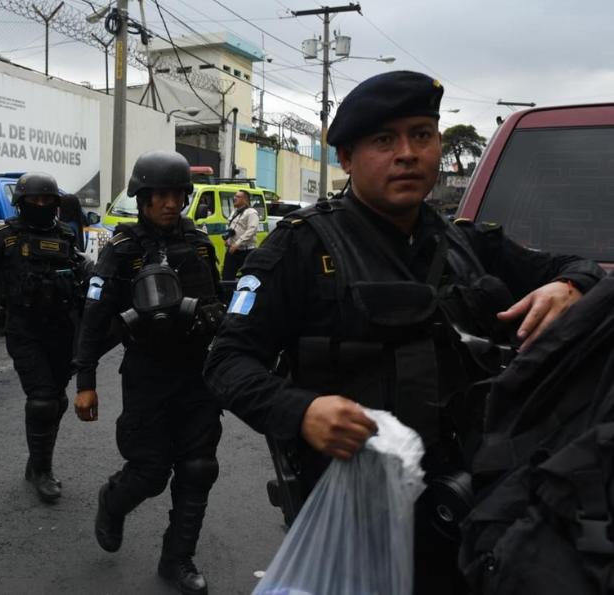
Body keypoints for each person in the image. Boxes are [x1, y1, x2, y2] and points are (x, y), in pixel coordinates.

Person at [202, 71, 605, 595]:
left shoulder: (469, 245)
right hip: (355, 510)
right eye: (384, 140)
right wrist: (301, 410)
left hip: (471, 503)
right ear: (346, 158)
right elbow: (226, 362)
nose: (408, 153)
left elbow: (580, 267)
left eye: (422, 134)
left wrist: (571, 285)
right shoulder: (298, 250)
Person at [73, 150, 227, 595]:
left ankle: (176, 559)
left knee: (199, 468)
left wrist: (218, 319)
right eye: (160, 194)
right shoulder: (122, 251)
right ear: (142, 197)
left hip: (196, 374)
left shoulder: (198, 244)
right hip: (146, 374)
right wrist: (85, 383)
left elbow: (217, 297)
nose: (169, 203)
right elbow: (94, 317)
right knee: (149, 472)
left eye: (177, 194)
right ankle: (113, 501)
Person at [0, 172, 83, 502]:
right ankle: (43, 472)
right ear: (21, 203)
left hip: (61, 330)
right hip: (24, 329)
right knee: (43, 399)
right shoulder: (3, 236)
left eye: (48, 200)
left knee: (57, 400)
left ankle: (37, 463)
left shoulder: (64, 235)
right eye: (34, 200)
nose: (41, 205)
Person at [221, 189, 258, 281]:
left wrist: (238, 243)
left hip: (246, 252)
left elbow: (251, 230)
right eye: (234, 196)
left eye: (238, 197)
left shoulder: (251, 213)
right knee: (227, 277)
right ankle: (227, 295)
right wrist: (227, 239)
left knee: (248, 278)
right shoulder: (235, 211)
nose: (234, 198)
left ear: (245, 200)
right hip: (232, 250)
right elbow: (232, 227)